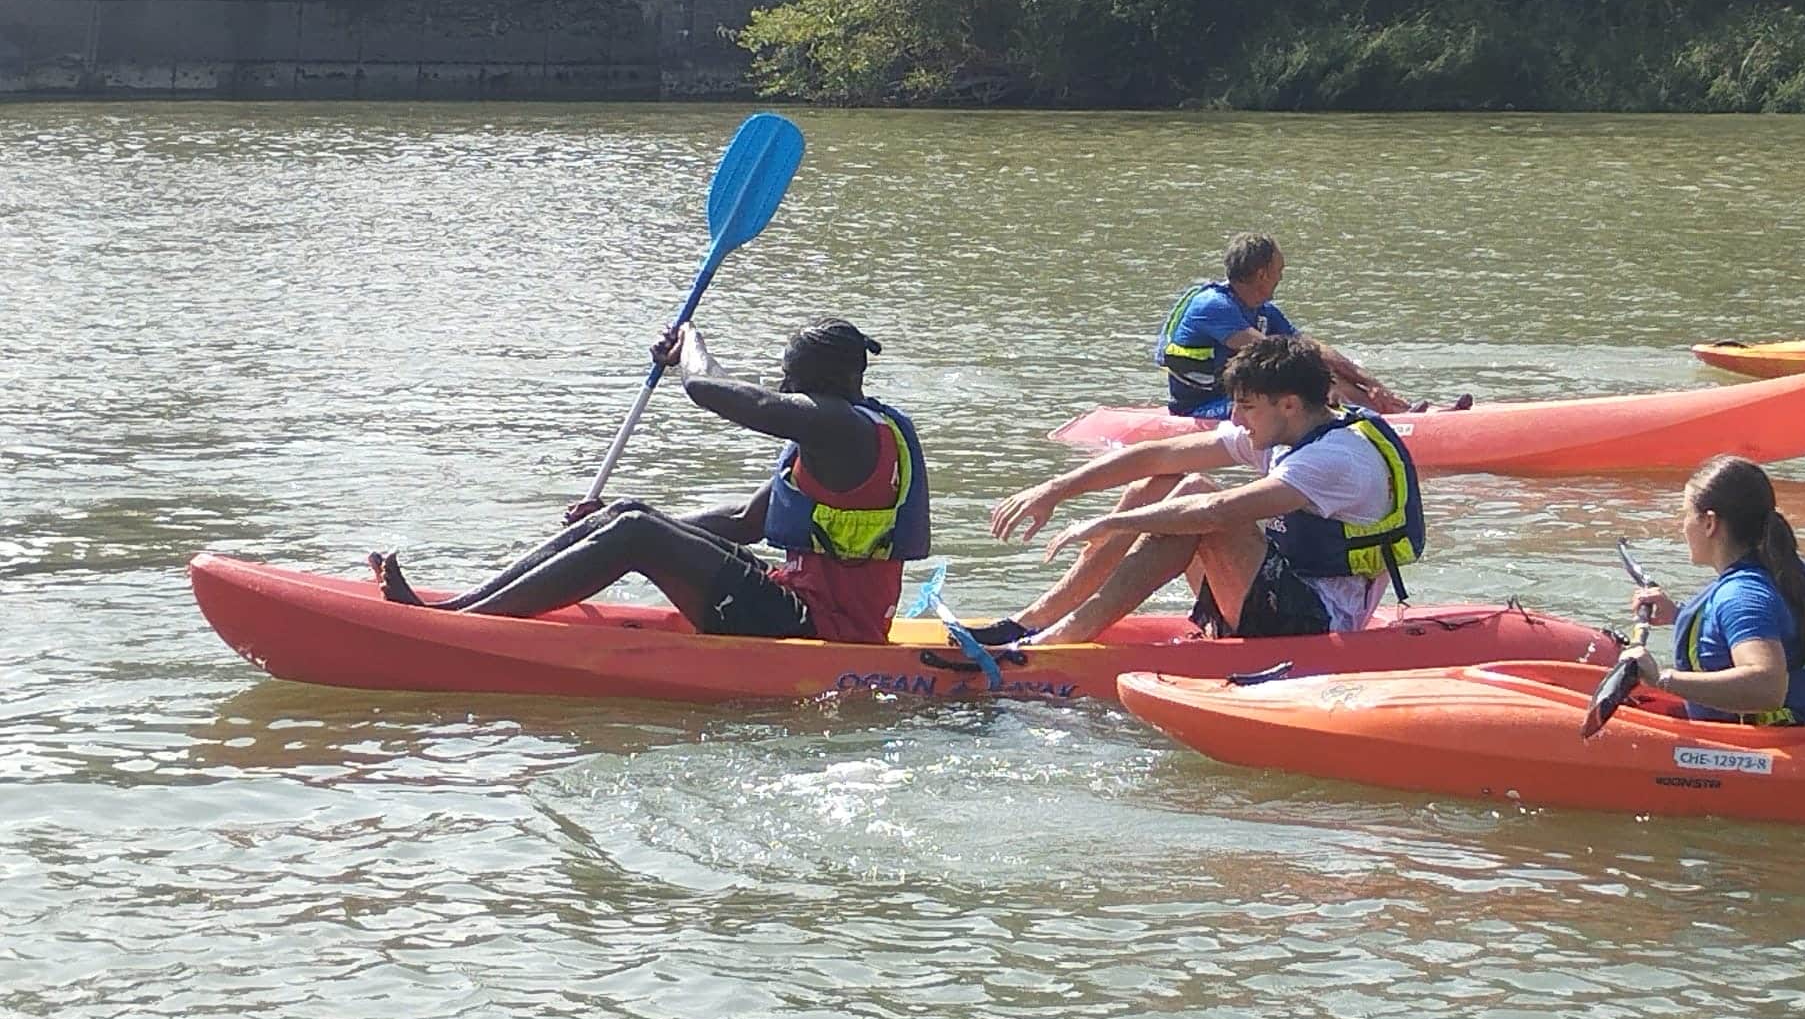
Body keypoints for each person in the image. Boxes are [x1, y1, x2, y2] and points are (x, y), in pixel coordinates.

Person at [369, 318, 930, 644]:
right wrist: (611, 528)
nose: (782, 383)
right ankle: (452, 610)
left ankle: (458, 631)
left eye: (789, 375)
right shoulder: (840, 433)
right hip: (798, 601)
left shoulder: (838, 426)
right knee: (628, 517)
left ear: (819, 380)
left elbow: (707, 390)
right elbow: (744, 523)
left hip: (821, 632)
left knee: (636, 532)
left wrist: (690, 343)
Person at [972, 334, 1422, 645]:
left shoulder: (1335, 458)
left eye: (1246, 407)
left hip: (1319, 622)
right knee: (1180, 480)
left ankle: (1059, 640)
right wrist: (1058, 488)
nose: (1238, 420)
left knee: (1200, 507)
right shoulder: (1286, 429)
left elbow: (1216, 513)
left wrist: (1109, 521)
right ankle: (1030, 622)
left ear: (1288, 404)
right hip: (1274, 593)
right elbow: (1160, 456)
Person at [1618, 455, 1805, 726]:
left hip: (1769, 749)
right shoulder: (1788, 570)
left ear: (1709, 523)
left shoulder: (1742, 596)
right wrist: (1678, 615)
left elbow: (1767, 686)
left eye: (1685, 514)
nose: (1682, 526)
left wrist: (1660, 679)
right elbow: (1773, 623)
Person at [1155, 233, 1467, 417]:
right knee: (1314, 383)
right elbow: (1272, 352)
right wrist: (1326, 383)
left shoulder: (1263, 310)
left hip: (1242, 399)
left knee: (1326, 372)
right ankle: (1381, 421)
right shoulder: (1212, 306)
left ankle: (1397, 413)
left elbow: (1310, 347)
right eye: (1280, 269)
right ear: (1262, 273)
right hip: (1203, 409)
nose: (1282, 275)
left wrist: (1371, 383)